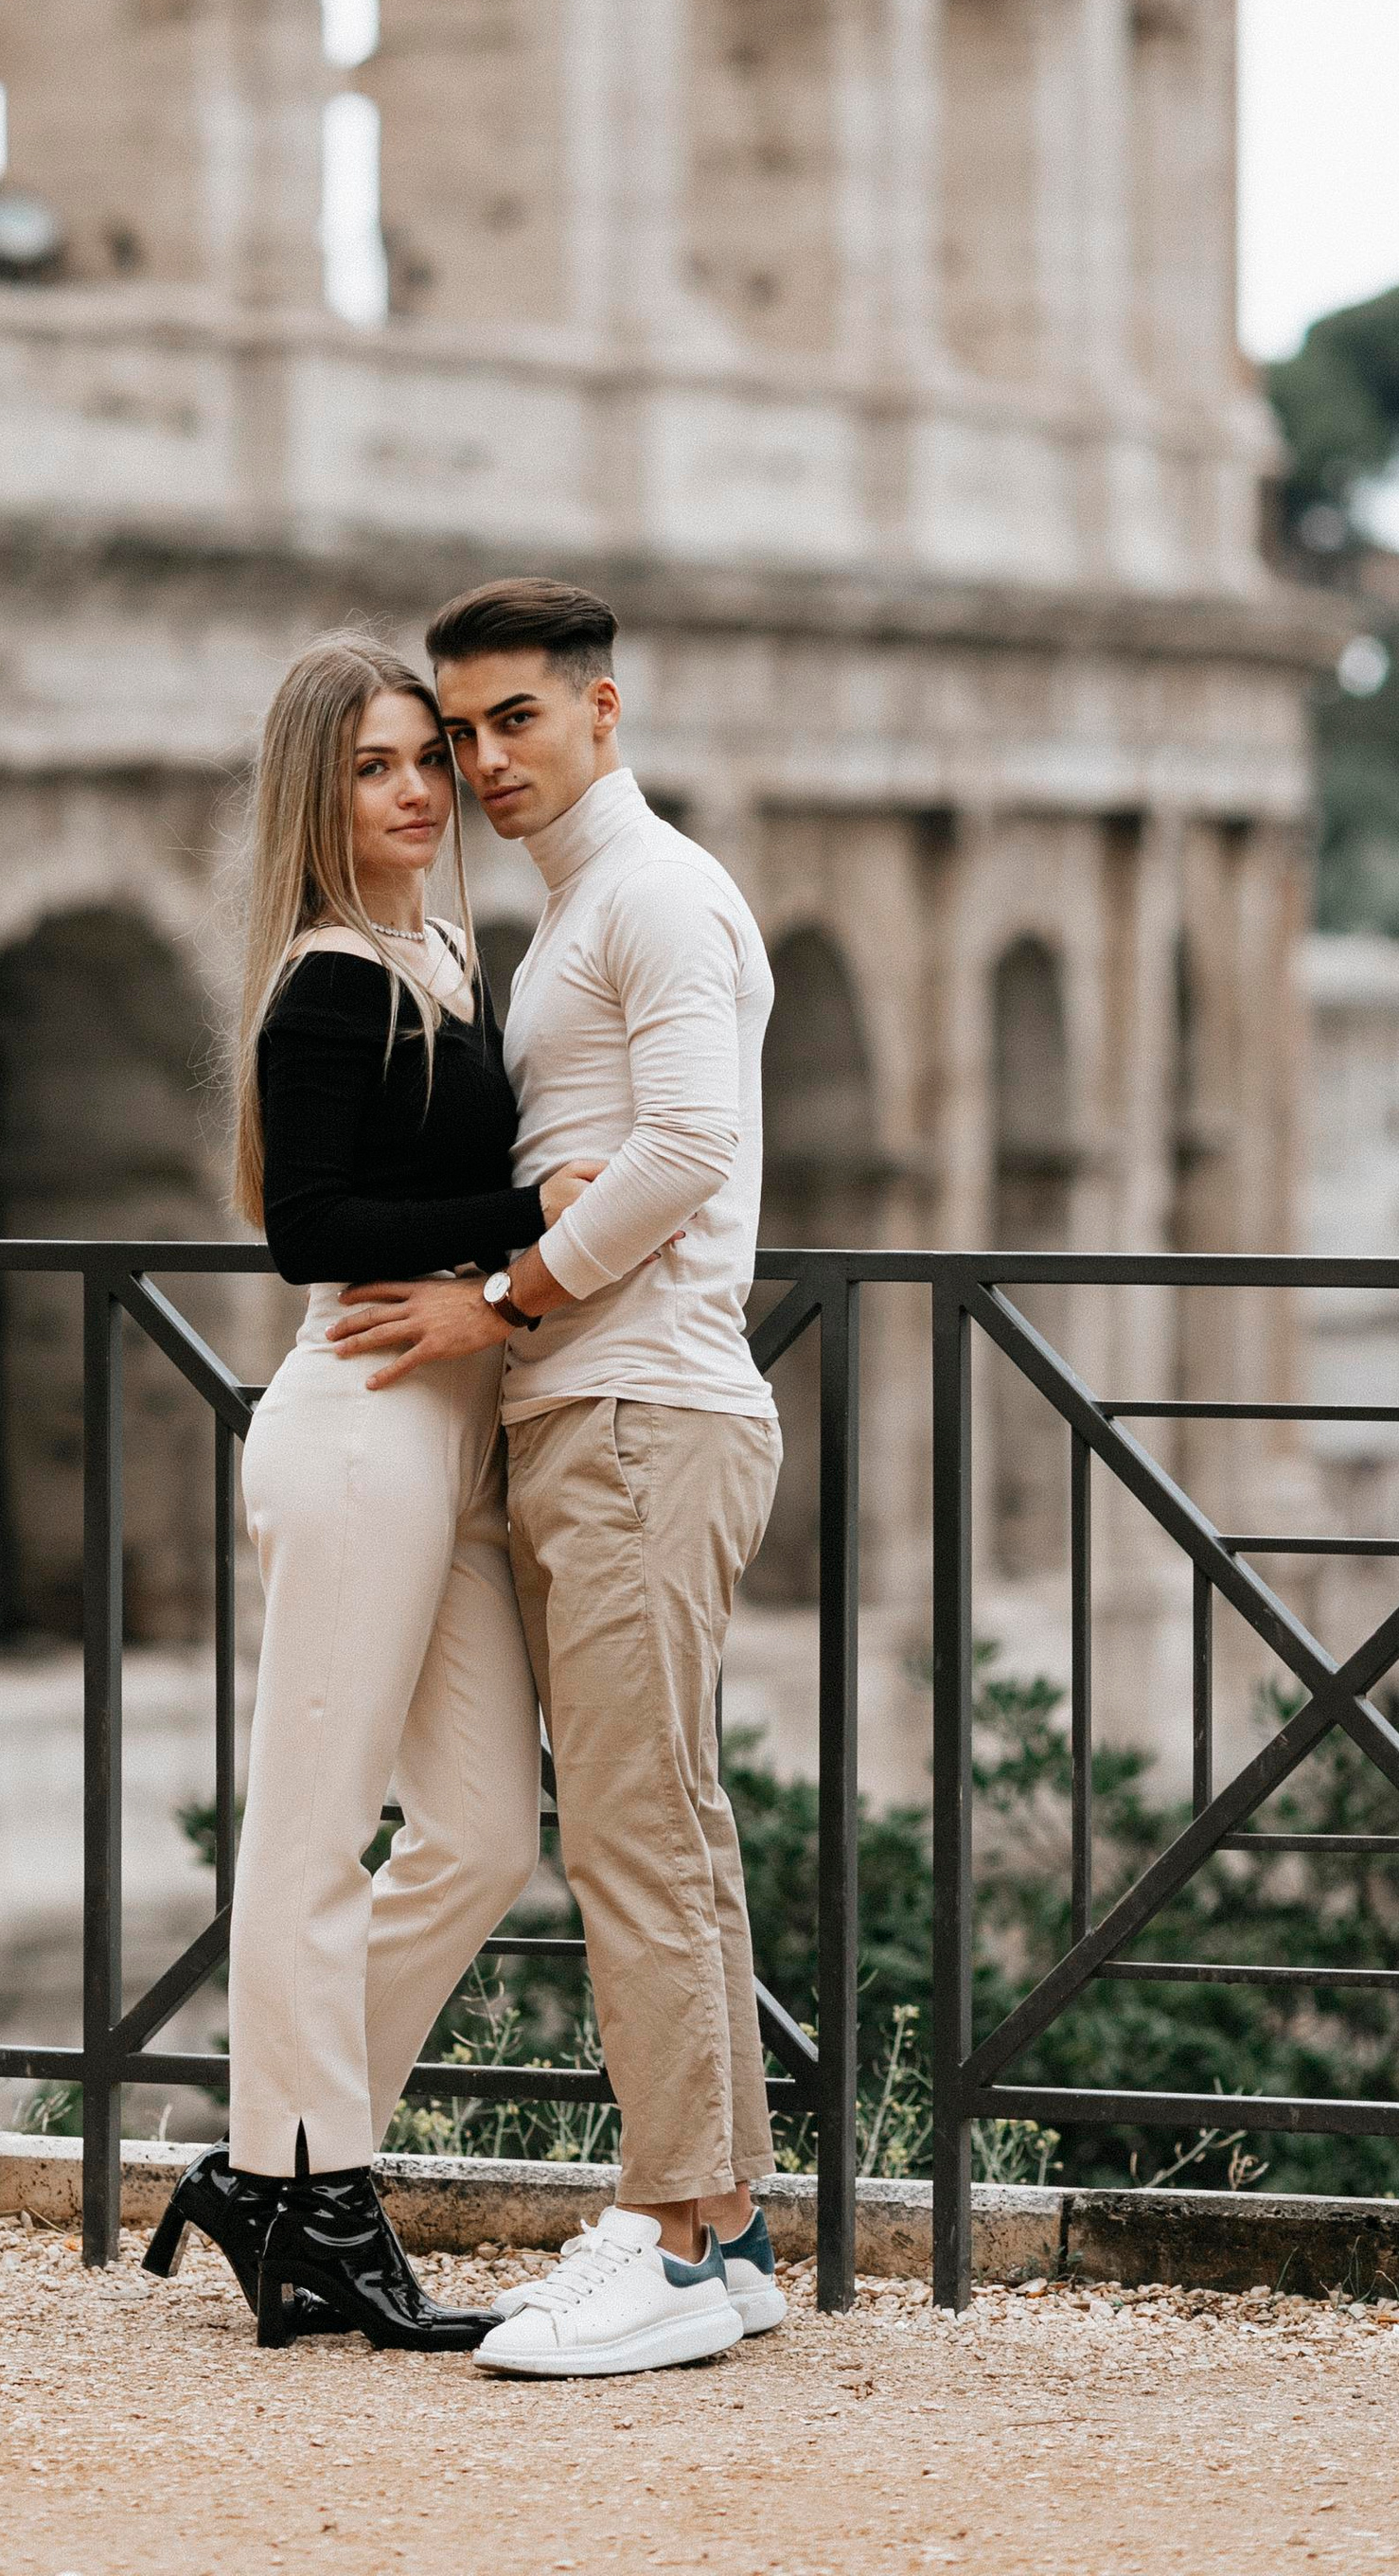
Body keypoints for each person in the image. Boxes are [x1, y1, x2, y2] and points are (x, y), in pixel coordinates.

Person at [325, 577, 787, 2380]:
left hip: (636, 1410)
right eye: (458, 733)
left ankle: (664, 2247)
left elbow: (687, 1148)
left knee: (634, 1833)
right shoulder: (594, 907)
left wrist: (494, 1300)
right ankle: (726, 2234)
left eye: (518, 719)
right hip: (609, 1411)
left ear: (606, 707)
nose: (483, 762)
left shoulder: (656, 894)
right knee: (662, 1818)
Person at [143, 634, 598, 2352]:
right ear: (314, 796)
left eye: (428, 759)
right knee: (315, 1822)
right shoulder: (333, 977)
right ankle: (312, 2186)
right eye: (375, 769)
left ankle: (277, 2161)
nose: (419, 791)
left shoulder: (444, 951)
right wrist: (522, 1233)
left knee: (480, 1836)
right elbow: (307, 1232)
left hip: (455, 1433)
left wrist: (512, 1243)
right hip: (360, 1430)